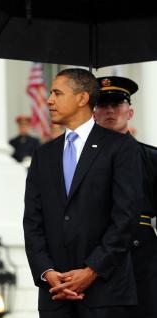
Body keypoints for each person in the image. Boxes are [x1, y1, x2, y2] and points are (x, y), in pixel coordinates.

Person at [23, 68, 142, 318]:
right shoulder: (43, 155)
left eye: (57, 93)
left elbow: (125, 218)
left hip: (105, 294)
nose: (49, 100)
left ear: (82, 98)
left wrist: (91, 270)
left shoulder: (120, 148)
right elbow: (32, 222)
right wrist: (47, 272)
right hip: (55, 296)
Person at [93, 76, 157, 318]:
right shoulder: (77, 163)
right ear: (93, 113)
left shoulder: (150, 158)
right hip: (93, 257)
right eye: (102, 104)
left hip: (140, 258)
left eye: (117, 104)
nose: (110, 110)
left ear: (130, 112)